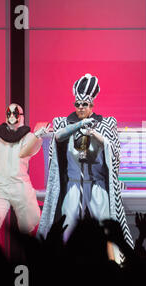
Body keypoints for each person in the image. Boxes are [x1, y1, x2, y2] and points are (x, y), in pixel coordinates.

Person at [37, 73, 133, 262]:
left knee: (108, 229)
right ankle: (62, 269)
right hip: (73, 185)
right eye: (77, 104)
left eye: (85, 104)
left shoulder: (105, 124)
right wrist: (79, 125)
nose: (80, 107)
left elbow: (114, 151)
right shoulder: (63, 123)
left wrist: (94, 134)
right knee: (66, 227)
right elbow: (58, 138)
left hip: (96, 185)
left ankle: (115, 268)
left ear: (92, 105)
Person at [0, 103, 48, 242]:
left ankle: (31, 262)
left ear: (21, 116)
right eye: (9, 113)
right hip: (1, 187)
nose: (11, 117)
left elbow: (24, 153)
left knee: (27, 230)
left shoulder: (28, 137)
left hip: (21, 187)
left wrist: (37, 136)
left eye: (15, 114)